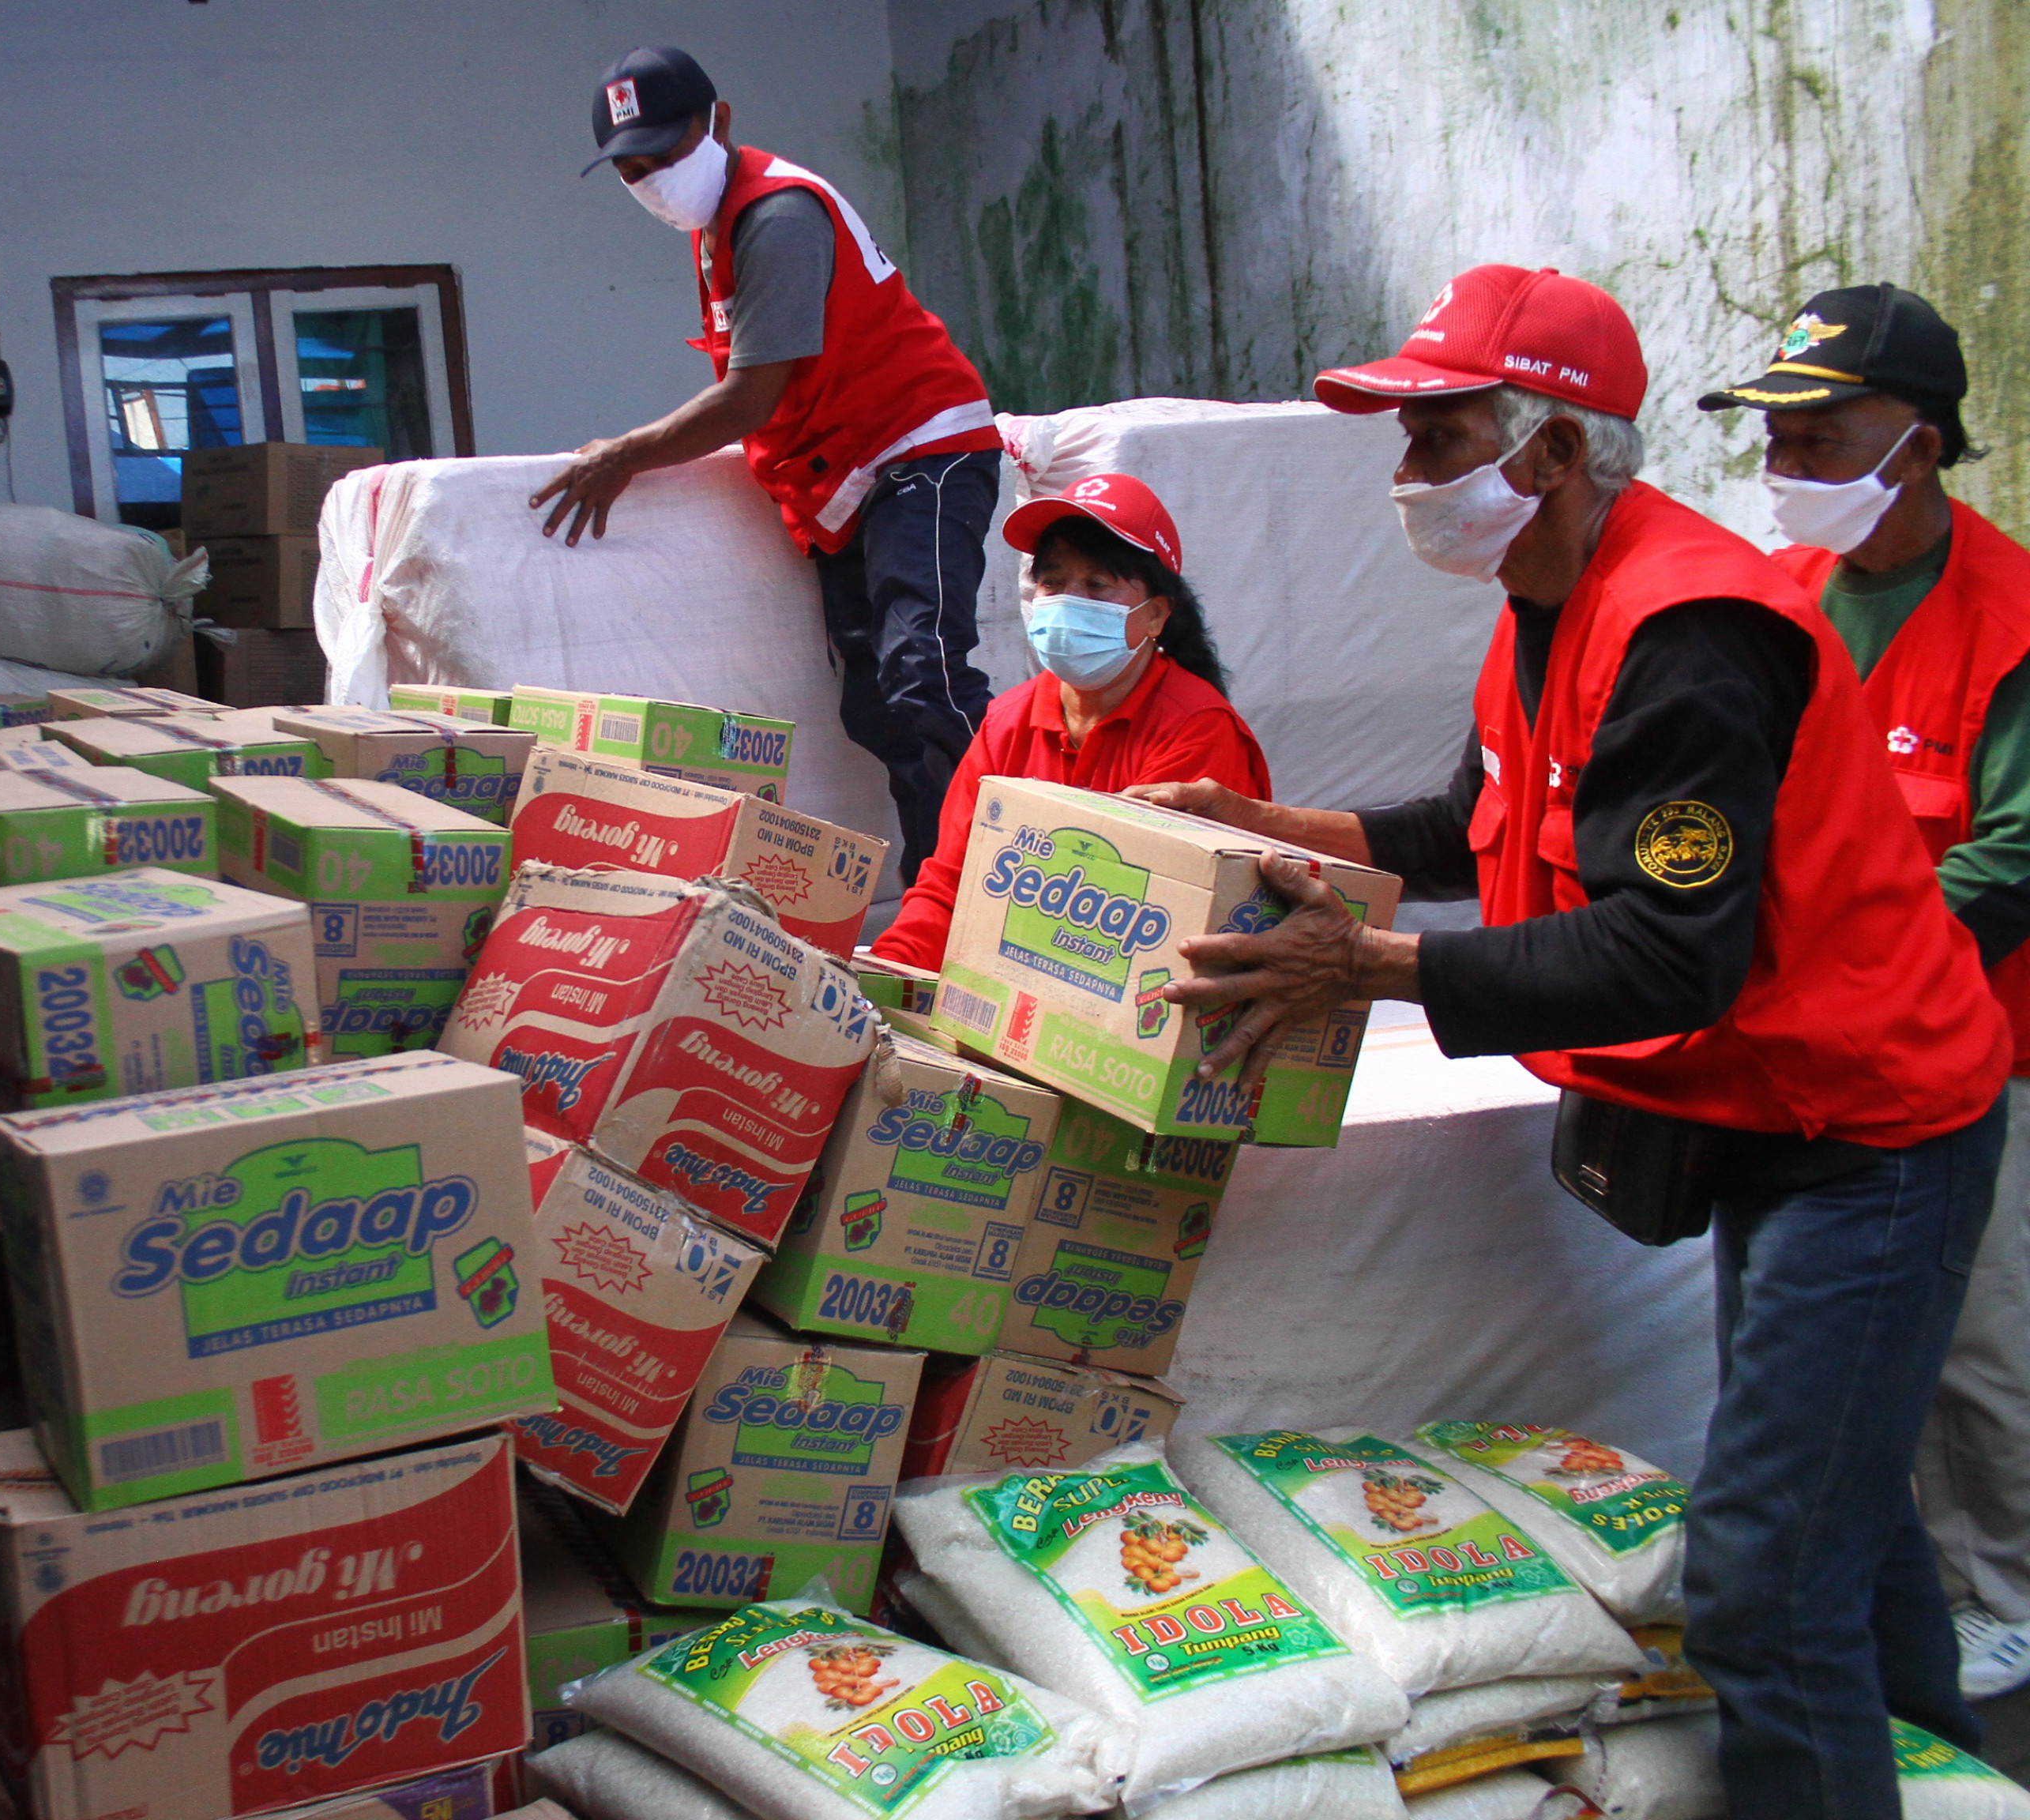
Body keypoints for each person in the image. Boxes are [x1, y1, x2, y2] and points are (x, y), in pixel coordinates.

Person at [1125, 263, 2011, 1818]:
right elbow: (1475, 825)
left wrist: (1369, 968)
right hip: (1770, 1121)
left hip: (1870, 1132)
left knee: (1759, 1574)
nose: (1409, 479)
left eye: (1439, 438)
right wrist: (1267, 820)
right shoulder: (1549, 612)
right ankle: (1950, 1788)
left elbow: (1669, 950)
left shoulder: (1689, 637)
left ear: (1550, 455)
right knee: (1841, 1522)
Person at [1701, 282, 2030, 1703]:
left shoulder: (2012, 615)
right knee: (1830, 1356)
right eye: (1775, 439)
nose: (1789, 472)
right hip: (1801, 1052)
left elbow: (2012, 846)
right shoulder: (1774, 600)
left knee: (1979, 1343)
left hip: (1978, 1045)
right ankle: (1898, 1596)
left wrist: (1857, 950)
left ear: (1924, 442)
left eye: (1824, 439)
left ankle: (2000, 1591)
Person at [535, 45, 999, 883]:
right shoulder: (720, 226)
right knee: (880, 712)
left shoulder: (777, 217)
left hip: (919, 450)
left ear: (720, 122)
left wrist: (625, 456)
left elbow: (749, 398)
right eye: (633, 169)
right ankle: (945, 890)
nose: (652, 180)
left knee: (925, 678)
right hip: (849, 478)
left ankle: (1008, 872)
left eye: (666, 154)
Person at [868, 472, 1267, 968]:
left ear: (1157, 615)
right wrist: (885, 976)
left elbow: (1175, 929)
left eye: (1097, 585)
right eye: (1053, 583)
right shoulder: (1006, 723)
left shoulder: (1196, 730)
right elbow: (950, 884)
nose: (1069, 601)